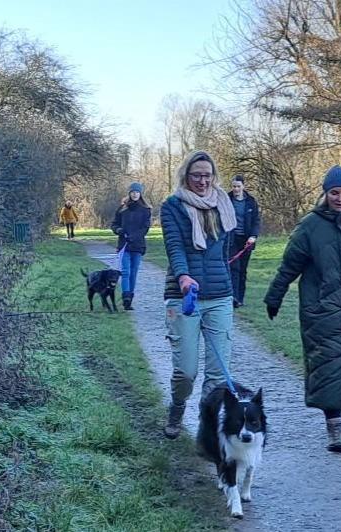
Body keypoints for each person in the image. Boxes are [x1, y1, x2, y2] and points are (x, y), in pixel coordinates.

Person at [265, 165, 341, 453]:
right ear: (325, 194)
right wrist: (275, 295)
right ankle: (333, 427)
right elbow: (289, 265)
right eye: (334, 193)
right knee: (326, 366)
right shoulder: (310, 226)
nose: (340, 198)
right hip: (321, 309)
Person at [160, 151, 239, 439]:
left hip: (219, 296)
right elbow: (175, 246)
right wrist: (182, 276)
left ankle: (207, 429)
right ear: (186, 176)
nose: (203, 181)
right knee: (186, 372)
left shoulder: (224, 205)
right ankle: (178, 405)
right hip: (184, 297)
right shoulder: (172, 206)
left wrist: (234, 289)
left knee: (218, 374)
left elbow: (227, 252)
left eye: (207, 175)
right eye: (197, 175)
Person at [110, 183, 152, 311]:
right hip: (124, 245)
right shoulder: (122, 209)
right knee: (126, 272)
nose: (135, 194)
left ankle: (130, 298)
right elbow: (114, 224)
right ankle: (126, 298)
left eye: (137, 192)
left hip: (137, 245)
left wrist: (133, 236)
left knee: (133, 272)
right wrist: (119, 230)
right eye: (132, 192)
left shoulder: (145, 210)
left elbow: (145, 228)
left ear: (140, 194)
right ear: (129, 193)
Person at [228, 175, 262, 308]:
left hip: (246, 240)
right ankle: (233, 297)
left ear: (243, 186)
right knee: (234, 268)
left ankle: (240, 298)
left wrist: (253, 236)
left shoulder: (251, 201)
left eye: (238, 186)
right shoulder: (227, 199)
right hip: (232, 239)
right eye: (234, 186)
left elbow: (256, 221)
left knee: (242, 269)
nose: (236, 189)